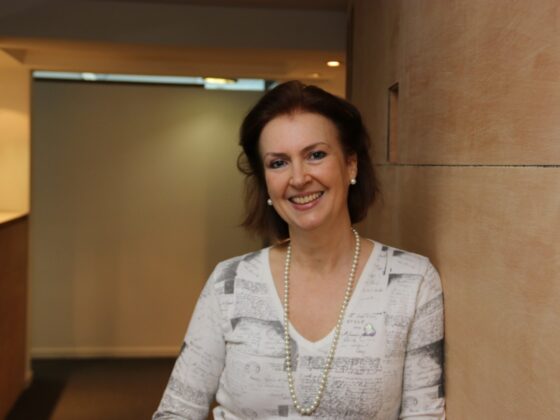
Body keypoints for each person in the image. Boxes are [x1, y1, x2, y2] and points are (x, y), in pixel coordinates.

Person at [153, 81, 445, 419]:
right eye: (278, 163)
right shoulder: (229, 282)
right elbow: (176, 412)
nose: (298, 178)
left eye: (315, 155)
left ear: (350, 164)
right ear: (265, 182)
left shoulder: (412, 282)